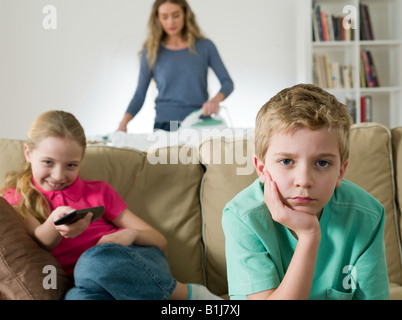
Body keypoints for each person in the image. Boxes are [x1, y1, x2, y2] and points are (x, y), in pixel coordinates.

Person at [0, 110, 221, 300]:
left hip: (134, 260)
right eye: (48, 162)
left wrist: (130, 235)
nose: (58, 175)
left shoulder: (98, 191)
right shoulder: (17, 197)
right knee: (76, 296)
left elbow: (159, 241)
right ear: (28, 153)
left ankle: (188, 294)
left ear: (81, 161)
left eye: (71, 165)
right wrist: (56, 221)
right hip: (86, 284)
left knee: (90, 264)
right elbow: (41, 240)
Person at [222, 84, 389, 300]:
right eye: (286, 161)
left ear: (340, 171)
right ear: (262, 169)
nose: (304, 181)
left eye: (321, 163)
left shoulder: (368, 215)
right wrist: (309, 234)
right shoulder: (243, 217)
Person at [117, 0, 234, 132]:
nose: (171, 22)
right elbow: (139, 95)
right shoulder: (151, 53)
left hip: (199, 123)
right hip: (167, 124)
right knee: (171, 153)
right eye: (165, 17)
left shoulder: (205, 47)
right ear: (157, 19)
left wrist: (214, 101)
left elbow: (227, 83)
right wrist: (123, 123)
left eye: (176, 15)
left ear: (185, 14)